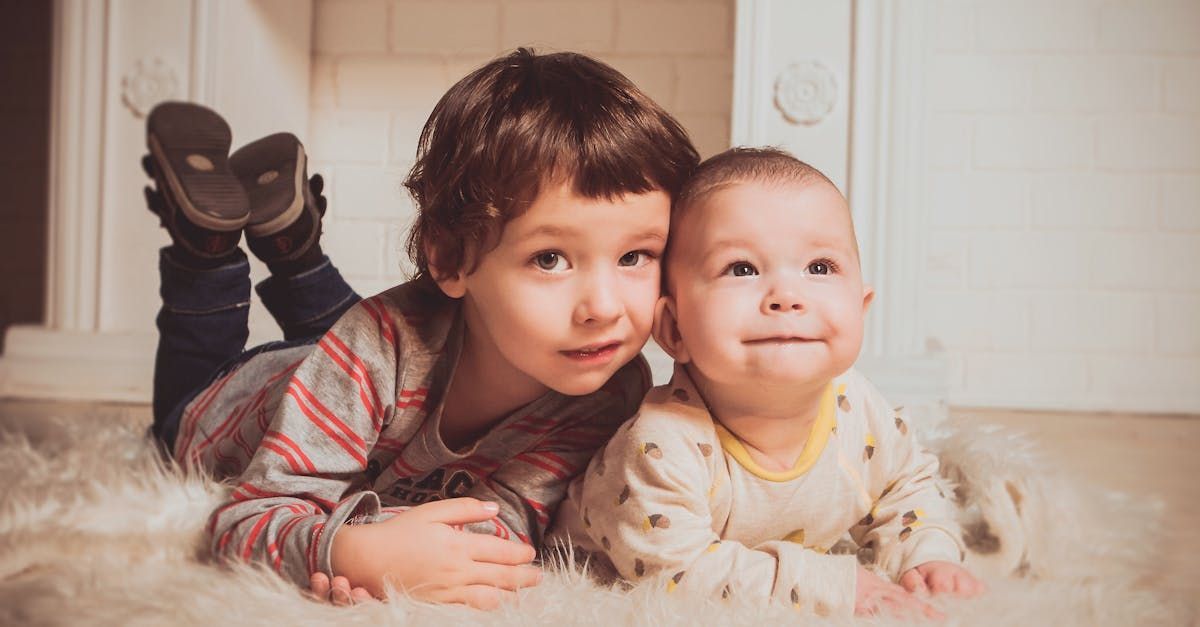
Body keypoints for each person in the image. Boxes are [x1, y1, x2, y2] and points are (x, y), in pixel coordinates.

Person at [142, 48, 699, 608]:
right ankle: (206, 249)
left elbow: (507, 524)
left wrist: (406, 547)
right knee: (181, 411)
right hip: (236, 400)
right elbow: (240, 521)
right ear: (451, 259)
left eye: (635, 256)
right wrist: (345, 553)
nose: (603, 308)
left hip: (372, 376)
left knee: (387, 343)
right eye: (550, 259)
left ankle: (296, 251)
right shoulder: (373, 349)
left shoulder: (606, 387)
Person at [547, 148, 984, 619]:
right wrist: (829, 583)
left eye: (820, 267)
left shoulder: (857, 405)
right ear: (674, 329)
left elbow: (906, 486)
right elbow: (673, 573)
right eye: (742, 269)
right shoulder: (660, 444)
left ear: (861, 308)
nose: (787, 296)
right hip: (595, 565)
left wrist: (926, 552)